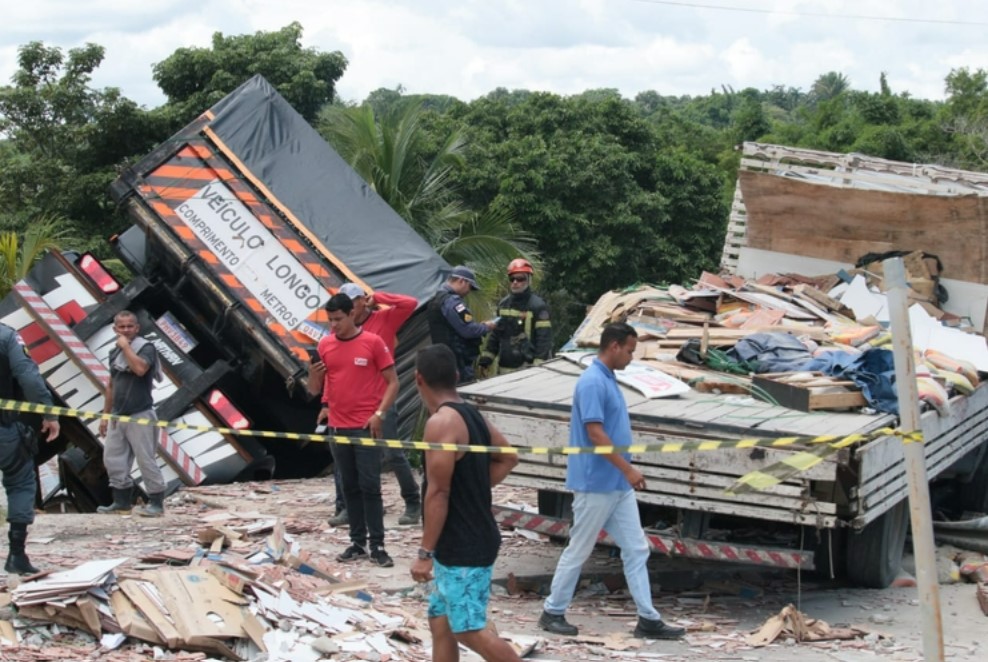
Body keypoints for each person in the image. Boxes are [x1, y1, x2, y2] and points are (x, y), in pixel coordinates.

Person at [539, 322, 685, 640]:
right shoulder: (593, 382)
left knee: (636, 548)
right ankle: (552, 610)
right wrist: (628, 469)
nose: (632, 357)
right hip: (596, 482)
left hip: (616, 484)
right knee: (579, 548)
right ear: (614, 346)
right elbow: (595, 433)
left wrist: (624, 473)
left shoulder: (608, 379)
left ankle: (648, 618)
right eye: (630, 350)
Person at [410, 344, 521, 662]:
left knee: (468, 630)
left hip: (464, 544)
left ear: (419, 379)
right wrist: (472, 488)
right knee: (440, 622)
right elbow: (509, 457)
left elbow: (439, 493)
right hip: (465, 538)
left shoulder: (441, 423)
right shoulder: (471, 413)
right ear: (456, 376)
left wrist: (424, 553)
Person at [314, 293, 399, 567]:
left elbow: (393, 382)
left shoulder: (372, 343)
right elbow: (318, 386)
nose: (334, 325)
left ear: (352, 314)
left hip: (365, 427)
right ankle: (357, 543)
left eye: (338, 319)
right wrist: (321, 396)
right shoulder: (325, 345)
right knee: (349, 486)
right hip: (338, 428)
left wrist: (379, 414)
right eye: (330, 320)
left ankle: (378, 545)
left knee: (370, 487)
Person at [327, 282, 422, 527]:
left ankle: (412, 501)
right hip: (350, 406)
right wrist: (326, 402)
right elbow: (332, 371)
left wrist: (379, 296)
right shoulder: (340, 331)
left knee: (392, 453)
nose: (351, 308)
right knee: (345, 457)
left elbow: (410, 303)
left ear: (362, 301)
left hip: (381, 401)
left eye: (354, 301)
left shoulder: (384, 319)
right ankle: (346, 507)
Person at [0, 323, 60, 574]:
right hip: (4, 428)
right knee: (21, 482)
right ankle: (16, 555)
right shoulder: (6, 335)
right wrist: (48, 413)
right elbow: (28, 376)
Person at [97, 311, 167, 518]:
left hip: (140, 413)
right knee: (113, 460)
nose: (126, 330)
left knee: (146, 459)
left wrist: (126, 346)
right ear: (115, 329)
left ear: (137, 328)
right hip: (119, 416)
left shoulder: (146, 347)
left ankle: (156, 503)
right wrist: (105, 415)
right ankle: (121, 502)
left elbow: (139, 369)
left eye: (130, 326)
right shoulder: (113, 353)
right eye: (122, 327)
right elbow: (111, 385)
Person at [479, 258, 552, 376]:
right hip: (504, 369)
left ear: (529, 280)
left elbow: (544, 340)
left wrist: (538, 368)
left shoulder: (538, 306)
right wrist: (486, 360)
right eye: (512, 279)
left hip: (528, 371)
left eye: (520, 279)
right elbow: (495, 336)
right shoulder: (503, 304)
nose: (515, 282)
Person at [426, 266, 494, 384]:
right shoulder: (452, 302)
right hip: (458, 361)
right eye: (470, 287)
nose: (469, 291)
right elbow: (468, 331)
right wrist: (487, 327)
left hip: (443, 358)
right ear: (462, 281)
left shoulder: (436, 298)